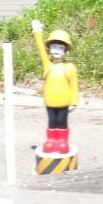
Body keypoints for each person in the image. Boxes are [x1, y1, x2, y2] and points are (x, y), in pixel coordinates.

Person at [31, 20, 79, 154]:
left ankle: (62, 141)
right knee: (52, 121)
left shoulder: (69, 68)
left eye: (60, 48)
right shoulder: (48, 65)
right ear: (50, 48)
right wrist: (37, 32)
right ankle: (51, 141)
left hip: (64, 102)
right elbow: (40, 49)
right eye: (54, 47)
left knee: (62, 121)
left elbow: (74, 86)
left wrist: (74, 102)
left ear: (65, 50)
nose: (57, 51)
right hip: (50, 101)